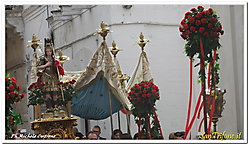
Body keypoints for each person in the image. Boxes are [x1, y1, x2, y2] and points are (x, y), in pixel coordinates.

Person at [36, 38, 64, 112]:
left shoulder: (54, 59)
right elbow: (37, 67)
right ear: (45, 51)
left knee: (55, 92)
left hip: (54, 77)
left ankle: (56, 106)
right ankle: (49, 107)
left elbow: (58, 68)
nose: (49, 53)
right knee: (47, 93)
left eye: (50, 51)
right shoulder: (43, 59)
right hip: (46, 77)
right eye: (47, 51)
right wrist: (46, 65)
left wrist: (59, 65)